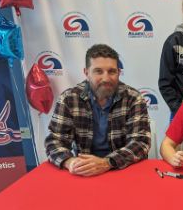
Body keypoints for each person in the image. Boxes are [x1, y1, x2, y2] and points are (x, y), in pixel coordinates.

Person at [44, 44, 151, 176]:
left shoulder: (133, 98)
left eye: (112, 71)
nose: (106, 78)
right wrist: (70, 162)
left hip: (122, 169)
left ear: (118, 72)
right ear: (86, 72)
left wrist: (107, 163)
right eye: (98, 71)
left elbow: (140, 143)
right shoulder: (69, 99)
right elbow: (54, 140)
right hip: (84, 169)